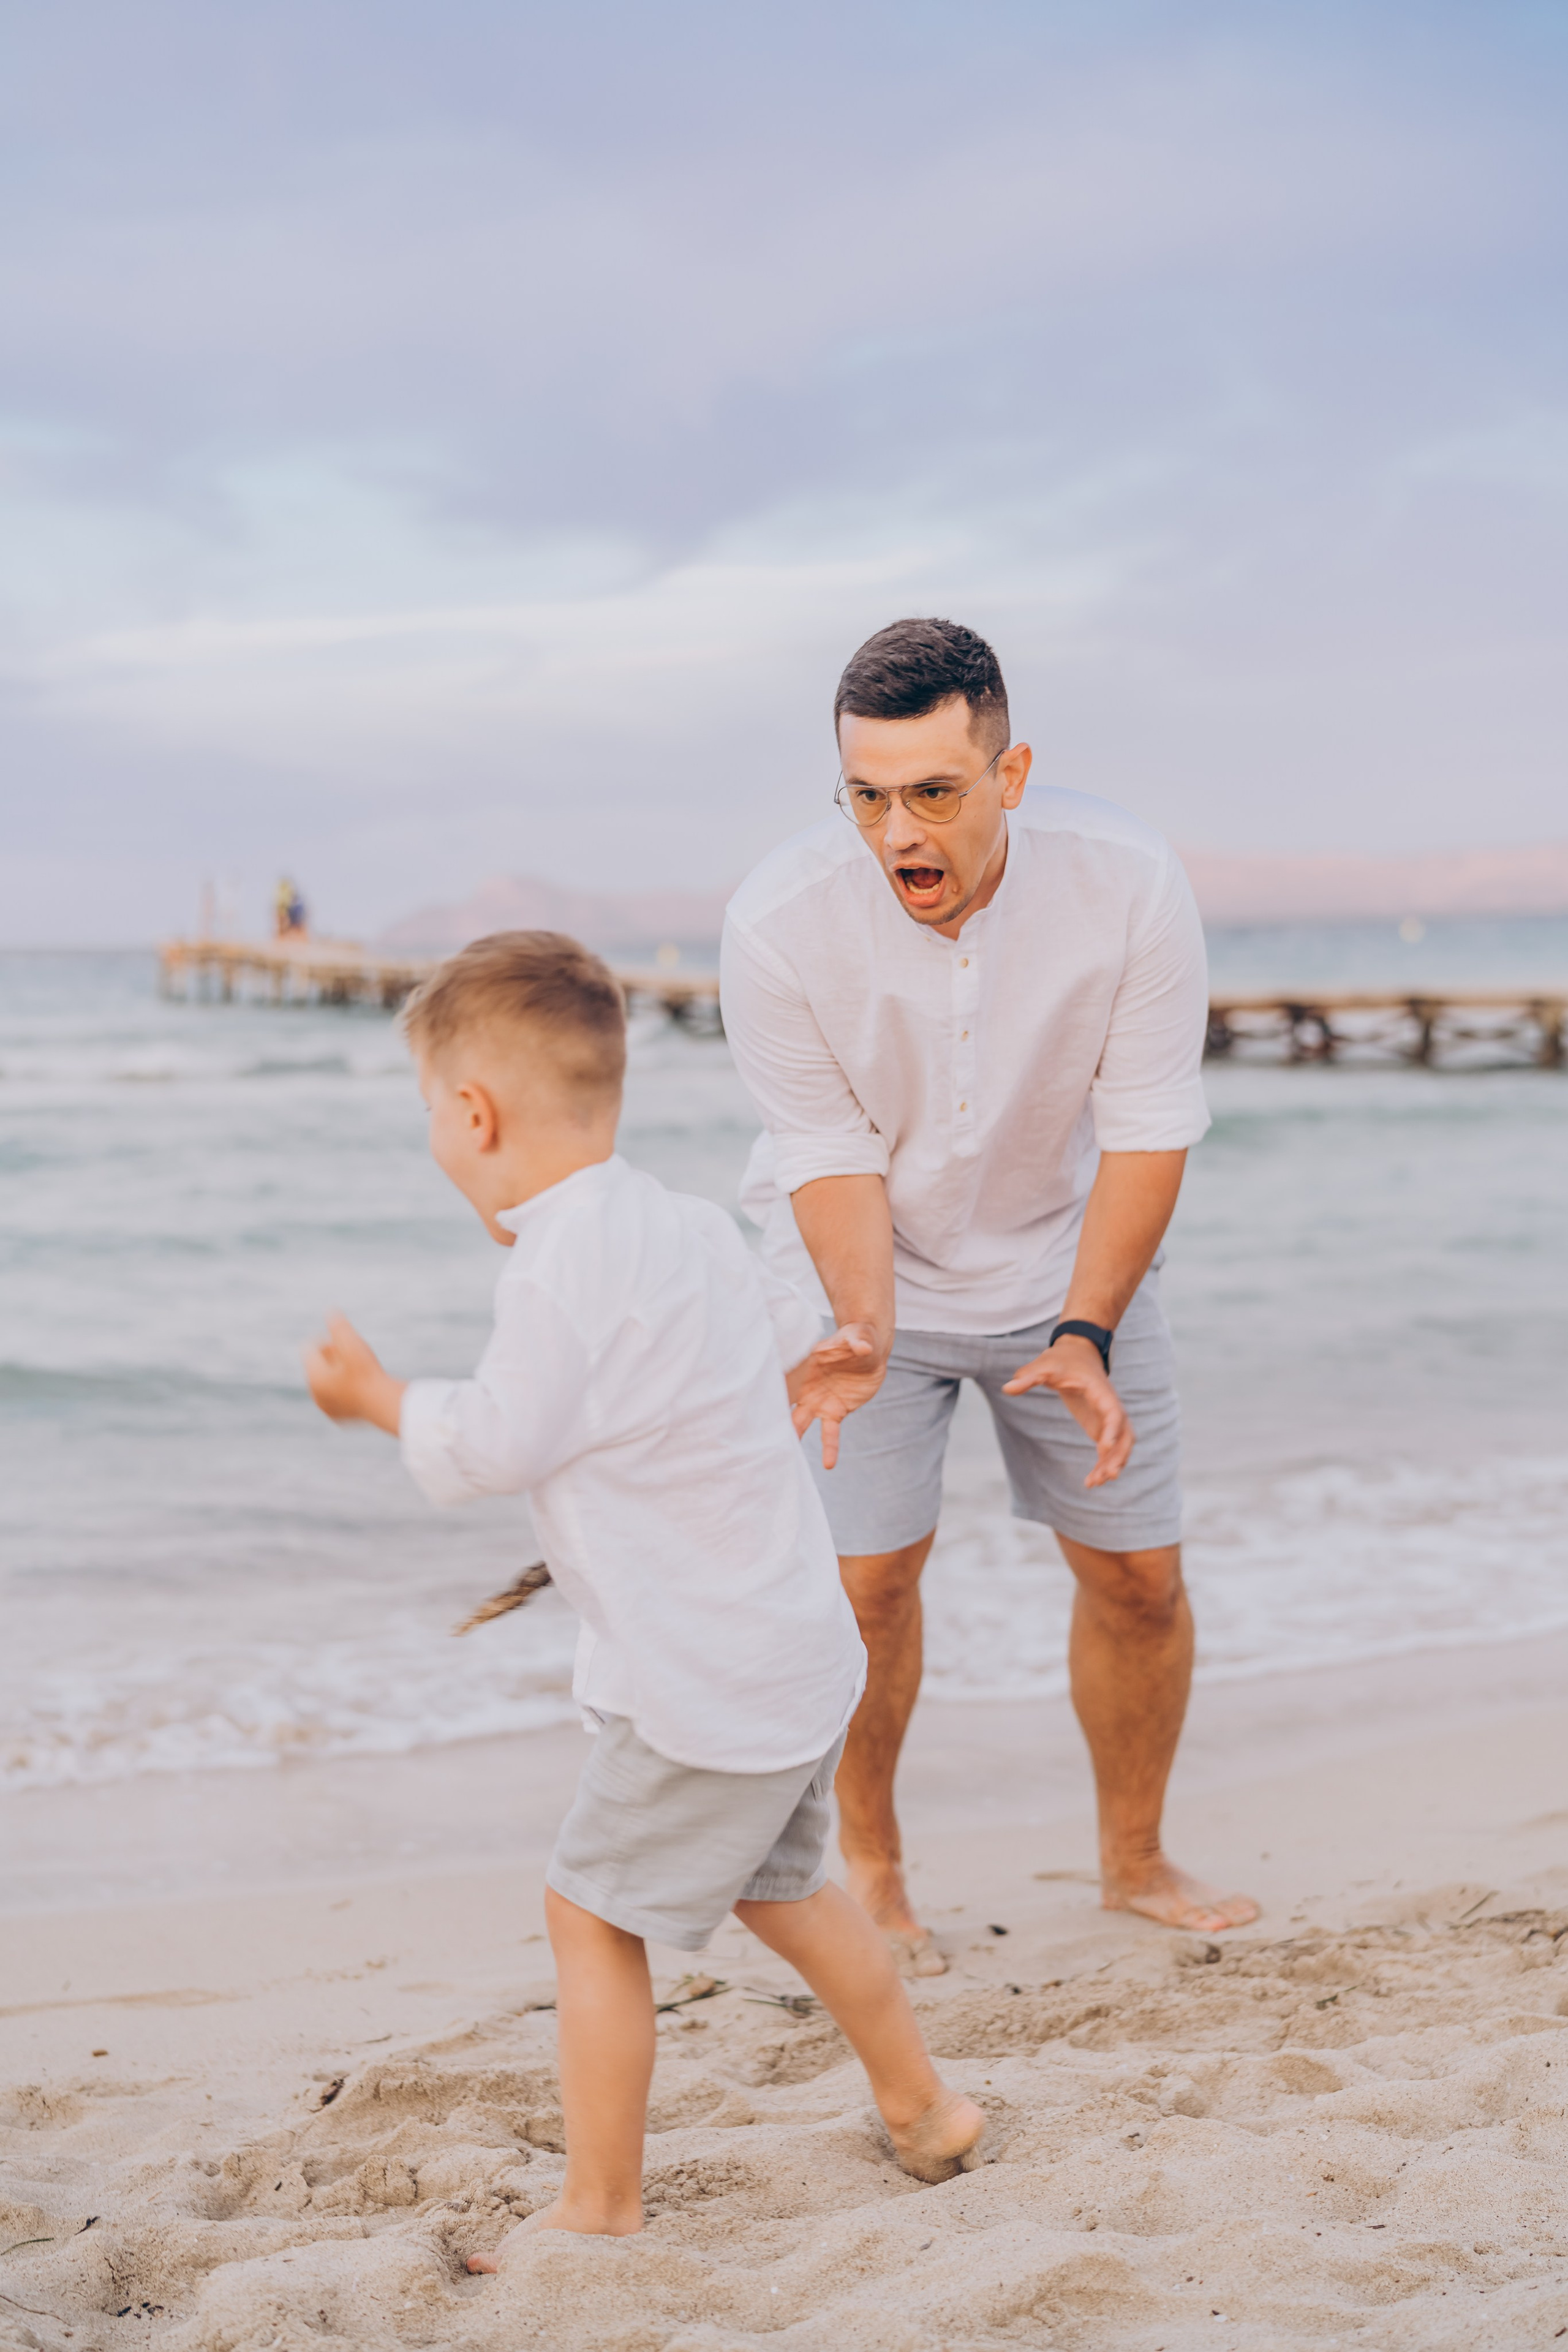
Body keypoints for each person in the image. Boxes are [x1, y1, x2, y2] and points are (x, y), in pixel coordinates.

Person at [301, 930, 984, 2257]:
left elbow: (497, 1442)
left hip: (701, 1684)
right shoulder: (681, 1225)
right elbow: (775, 1330)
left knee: (590, 1915)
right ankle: (926, 2106)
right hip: (789, 1654)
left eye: (429, 1111)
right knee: (788, 1892)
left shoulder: (557, 1267)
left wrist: (376, 1397)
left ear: (472, 1113)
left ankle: (600, 2208)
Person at [720, 619, 1259, 1973]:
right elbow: (827, 1155)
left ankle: (1133, 1858)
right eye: (865, 796)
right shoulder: (777, 923)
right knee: (866, 1587)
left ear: (1008, 774)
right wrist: (860, 1331)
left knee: (1138, 1579)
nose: (896, 831)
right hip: (865, 1276)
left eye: (932, 792)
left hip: (1073, 1265)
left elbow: (1148, 1128)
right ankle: (876, 1873)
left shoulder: (1126, 881)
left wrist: (1086, 1330)